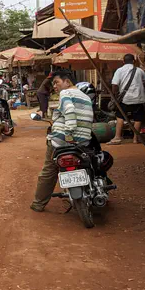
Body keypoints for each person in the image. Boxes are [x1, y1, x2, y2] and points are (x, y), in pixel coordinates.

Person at [30, 70, 94, 212]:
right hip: (82, 142)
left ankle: (38, 204)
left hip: (63, 141)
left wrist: (69, 134)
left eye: (57, 82)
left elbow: (70, 112)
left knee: (48, 171)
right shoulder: (86, 97)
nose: (54, 86)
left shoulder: (65, 93)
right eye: (53, 84)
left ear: (67, 81)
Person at [109, 53, 145, 145]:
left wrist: (115, 95)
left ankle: (118, 137)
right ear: (134, 61)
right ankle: (135, 139)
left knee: (120, 116)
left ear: (123, 61)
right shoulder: (139, 71)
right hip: (138, 98)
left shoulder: (119, 70)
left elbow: (114, 85)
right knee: (138, 118)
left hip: (125, 99)